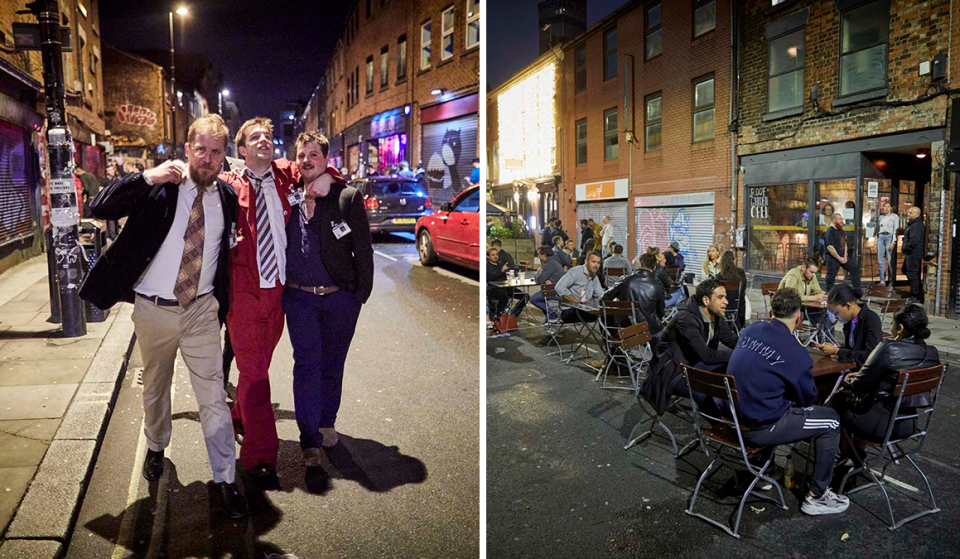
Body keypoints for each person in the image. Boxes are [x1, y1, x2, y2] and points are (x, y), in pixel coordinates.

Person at [79, 115, 247, 518]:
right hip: (153, 309)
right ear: (187, 149)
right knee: (156, 386)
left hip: (201, 310)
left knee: (213, 397)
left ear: (225, 156)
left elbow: (224, 254)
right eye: (201, 149)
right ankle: (156, 446)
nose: (207, 159)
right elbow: (99, 206)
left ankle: (225, 478)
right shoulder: (160, 189)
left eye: (216, 152)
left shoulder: (225, 198)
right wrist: (146, 177)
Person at [284, 131, 373, 466]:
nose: (307, 161)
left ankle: (326, 423)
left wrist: (359, 296)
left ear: (326, 159)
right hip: (299, 299)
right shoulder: (285, 194)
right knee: (306, 366)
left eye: (314, 155)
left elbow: (362, 250)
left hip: (340, 300)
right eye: (301, 155)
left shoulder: (345, 197)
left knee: (333, 366)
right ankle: (309, 439)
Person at [217, 117, 300, 479]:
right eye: (255, 137)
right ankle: (260, 455)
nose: (264, 140)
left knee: (256, 370)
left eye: (268, 135)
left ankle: (239, 414)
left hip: (278, 292)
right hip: (244, 293)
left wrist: (331, 177)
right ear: (242, 150)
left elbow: (318, 163)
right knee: (255, 373)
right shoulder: (228, 187)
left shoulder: (287, 177)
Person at [726, 288, 849, 515]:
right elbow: (807, 400)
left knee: (772, 398)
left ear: (771, 312)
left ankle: (763, 469)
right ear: (799, 317)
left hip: (733, 417)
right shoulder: (796, 353)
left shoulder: (749, 330)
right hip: (759, 428)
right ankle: (817, 496)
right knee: (831, 421)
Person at [833, 304, 940, 446]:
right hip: (910, 423)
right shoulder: (933, 353)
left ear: (900, 328)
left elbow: (857, 387)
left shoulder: (889, 348)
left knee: (837, 401)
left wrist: (847, 385)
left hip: (881, 424)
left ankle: (852, 456)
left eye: (892, 324)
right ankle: (853, 457)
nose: (891, 328)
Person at [639, 277, 737, 418]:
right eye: (720, 297)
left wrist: (751, 349)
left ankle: (734, 415)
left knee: (734, 368)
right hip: (671, 373)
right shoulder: (685, 318)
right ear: (706, 300)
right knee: (703, 390)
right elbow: (707, 356)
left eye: (725, 297)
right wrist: (738, 355)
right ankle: (721, 429)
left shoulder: (715, 315)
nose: (726, 302)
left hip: (691, 365)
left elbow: (731, 339)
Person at [813, 285, 882, 368]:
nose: (836, 317)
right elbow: (853, 350)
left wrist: (837, 351)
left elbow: (870, 356)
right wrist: (833, 350)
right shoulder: (849, 321)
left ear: (848, 306)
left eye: (836, 313)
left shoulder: (871, 319)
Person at [602, 252, 666, 335]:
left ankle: (611, 347)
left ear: (639, 264)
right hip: (650, 329)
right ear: (654, 268)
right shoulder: (658, 285)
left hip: (626, 327)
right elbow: (661, 311)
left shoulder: (625, 281)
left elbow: (605, 297)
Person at [554, 251, 604, 323]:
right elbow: (559, 287)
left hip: (585, 309)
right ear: (586, 262)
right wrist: (576, 301)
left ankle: (611, 334)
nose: (596, 265)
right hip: (569, 311)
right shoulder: (575, 272)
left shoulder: (595, 277)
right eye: (593, 262)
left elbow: (600, 295)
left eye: (598, 263)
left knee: (607, 313)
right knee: (602, 314)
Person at [824, 212, 861, 291]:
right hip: (833, 258)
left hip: (842, 257)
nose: (842, 220)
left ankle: (857, 291)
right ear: (834, 220)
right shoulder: (830, 231)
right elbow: (830, 247)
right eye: (840, 219)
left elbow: (845, 243)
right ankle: (829, 294)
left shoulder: (840, 230)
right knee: (831, 277)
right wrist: (839, 258)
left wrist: (845, 256)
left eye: (842, 219)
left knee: (854, 268)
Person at [487, 248, 528, 319]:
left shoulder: (500, 263)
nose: (495, 256)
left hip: (506, 287)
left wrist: (511, 276)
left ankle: (513, 314)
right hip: (494, 289)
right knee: (504, 297)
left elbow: (507, 274)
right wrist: (501, 271)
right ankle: (498, 316)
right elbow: (489, 278)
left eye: (496, 254)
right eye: (493, 255)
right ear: (488, 256)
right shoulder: (487, 266)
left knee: (525, 296)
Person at [530, 246, 566, 320]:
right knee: (541, 298)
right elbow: (542, 279)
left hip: (554, 292)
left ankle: (552, 313)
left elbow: (539, 280)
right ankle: (550, 316)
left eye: (539, 254)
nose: (538, 256)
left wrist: (538, 273)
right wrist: (544, 278)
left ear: (544, 254)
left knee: (533, 299)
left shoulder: (549, 263)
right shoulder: (552, 261)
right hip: (553, 289)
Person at [717, 250, 747, 330]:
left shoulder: (720, 276)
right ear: (734, 260)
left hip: (724, 304)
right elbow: (743, 290)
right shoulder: (741, 273)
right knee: (742, 298)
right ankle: (740, 325)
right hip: (737, 304)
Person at [901, 206, 924, 304]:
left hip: (914, 253)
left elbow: (913, 241)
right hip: (910, 253)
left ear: (916, 214)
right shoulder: (912, 224)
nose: (908, 214)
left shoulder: (917, 225)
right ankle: (916, 291)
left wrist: (905, 247)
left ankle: (915, 295)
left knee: (912, 274)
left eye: (910, 213)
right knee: (906, 270)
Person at [877, 201, 899, 286]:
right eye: (885, 206)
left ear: (891, 208)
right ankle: (882, 280)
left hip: (889, 237)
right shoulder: (881, 217)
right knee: (881, 261)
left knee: (890, 261)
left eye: (888, 206)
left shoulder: (894, 217)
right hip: (881, 237)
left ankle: (891, 281)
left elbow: (895, 230)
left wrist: (893, 242)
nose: (886, 208)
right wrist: (876, 240)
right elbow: (878, 229)